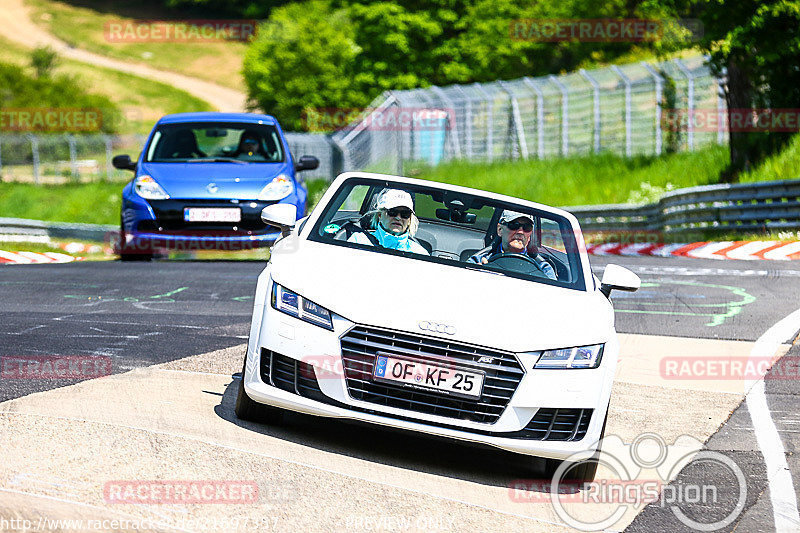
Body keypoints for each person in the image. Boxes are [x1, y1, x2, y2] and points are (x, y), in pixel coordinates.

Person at [468, 210, 556, 280]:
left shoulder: (544, 269)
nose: (521, 232)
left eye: (527, 227)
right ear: (500, 230)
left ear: (530, 235)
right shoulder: (477, 261)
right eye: (514, 225)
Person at [347, 189, 429, 255]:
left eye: (405, 214)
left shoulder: (420, 253)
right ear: (379, 214)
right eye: (392, 212)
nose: (398, 217)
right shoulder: (358, 241)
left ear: (409, 220)